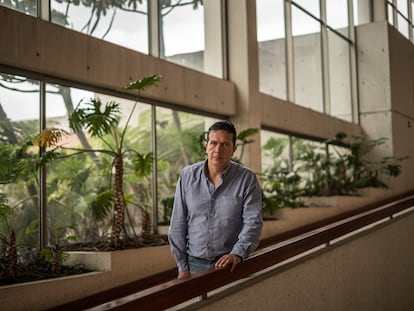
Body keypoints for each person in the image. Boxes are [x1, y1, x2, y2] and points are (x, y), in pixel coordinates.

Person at [168, 120, 263, 279]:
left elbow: (253, 222)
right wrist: (182, 266)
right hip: (194, 265)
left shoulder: (246, 178)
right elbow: (177, 223)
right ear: (206, 146)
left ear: (233, 150)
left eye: (225, 145)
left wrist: (238, 253)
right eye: (213, 143)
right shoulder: (187, 176)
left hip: (231, 265)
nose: (217, 150)